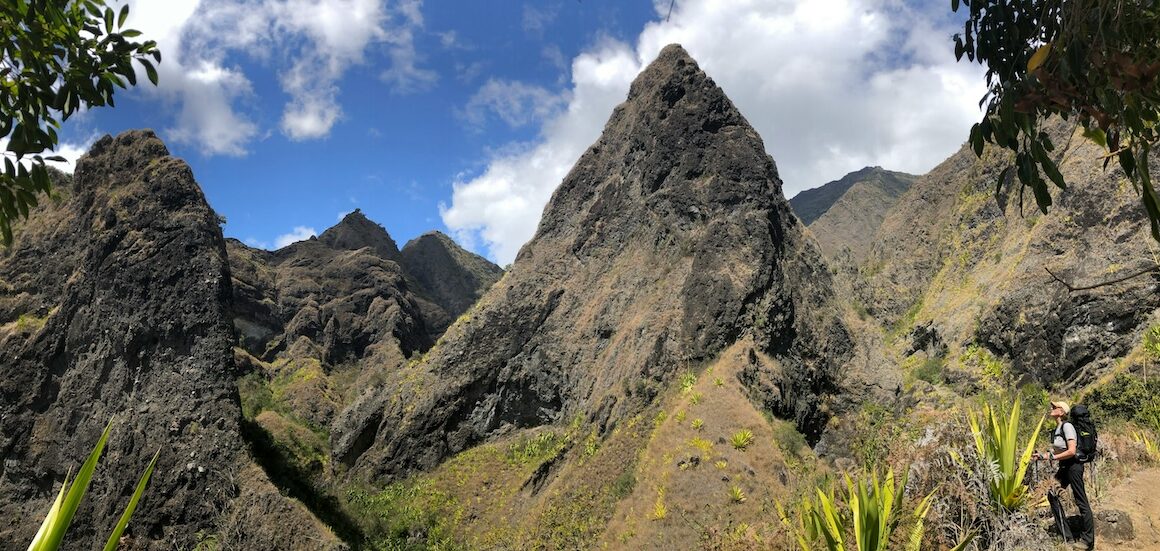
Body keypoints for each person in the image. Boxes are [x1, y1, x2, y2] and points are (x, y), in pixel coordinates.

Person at [1033, 400, 1095, 550]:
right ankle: (1067, 536)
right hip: (1065, 466)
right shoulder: (1059, 427)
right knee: (1052, 494)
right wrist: (1042, 456)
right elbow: (1060, 451)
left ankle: (1088, 541)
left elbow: (1072, 451)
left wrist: (1052, 457)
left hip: (1074, 466)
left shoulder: (1067, 426)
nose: (1051, 408)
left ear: (1062, 411)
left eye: (1054, 407)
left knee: (1080, 500)